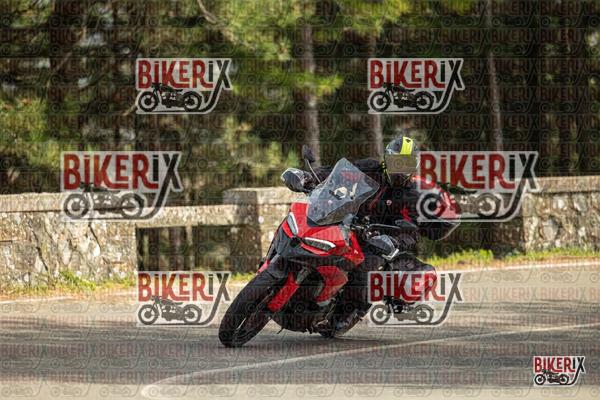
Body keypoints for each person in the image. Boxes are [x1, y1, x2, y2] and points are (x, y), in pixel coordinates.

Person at [305, 136, 460, 335]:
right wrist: (310, 177)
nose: (400, 169)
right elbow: (339, 173)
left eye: (406, 163)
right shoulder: (371, 169)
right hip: (349, 223)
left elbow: (411, 230)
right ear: (387, 160)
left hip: (380, 241)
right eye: (397, 162)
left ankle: (350, 312)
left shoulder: (413, 195)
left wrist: (393, 240)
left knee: (365, 268)